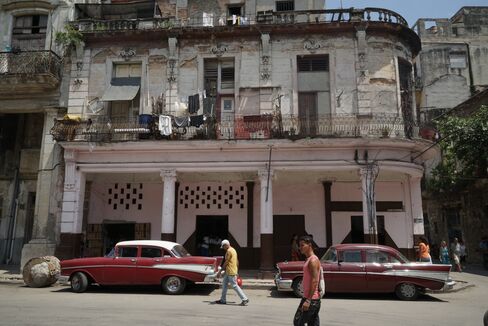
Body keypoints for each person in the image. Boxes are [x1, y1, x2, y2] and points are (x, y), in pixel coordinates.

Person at [293, 235, 321, 326]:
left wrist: (308, 300)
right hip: (311, 298)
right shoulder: (308, 259)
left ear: (309, 245)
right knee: (312, 323)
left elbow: (314, 280)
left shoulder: (313, 260)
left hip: (311, 299)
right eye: (299, 245)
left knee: (298, 322)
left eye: (302, 245)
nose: (300, 248)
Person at [214, 239, 249, 306]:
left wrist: (220, 272)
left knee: (234, 285)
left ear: (226, 245)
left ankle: (244, 299)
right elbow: (237, 261)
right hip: (230, 270)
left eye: (223, 247)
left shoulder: (229, 251)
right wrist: (237, 270)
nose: (223, 248)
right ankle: (223, 300)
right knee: (224, 285)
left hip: (231, 271)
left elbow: (226, 262)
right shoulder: (233, 250)